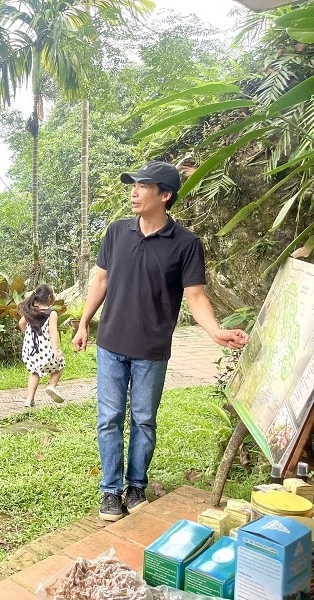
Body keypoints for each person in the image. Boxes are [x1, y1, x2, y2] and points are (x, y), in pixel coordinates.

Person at [71, 161, 249, 523]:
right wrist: (84, 322)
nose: (133, 192)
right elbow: (101, 281)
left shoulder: (185, 244)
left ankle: (135, 486)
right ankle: (110, 492)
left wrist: (215, 332)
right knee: (108, 418)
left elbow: (195, 295)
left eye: (142, 186)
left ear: (165, 195)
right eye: (132, 185)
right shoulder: (117, 232)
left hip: (152, 349)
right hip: (110, 344)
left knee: (144, 420)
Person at [18, 284, 66, 407]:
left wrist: (27, 336)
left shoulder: (30, 311)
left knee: (34, 372)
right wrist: (56, 350)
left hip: (30, 349)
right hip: (45, 347)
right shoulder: (51, 313)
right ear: (50, 297)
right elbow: (53, 331)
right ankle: (51, 386)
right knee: (60, 364)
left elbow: (21, 324)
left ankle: (29, 400)